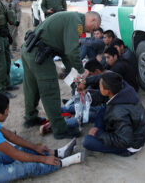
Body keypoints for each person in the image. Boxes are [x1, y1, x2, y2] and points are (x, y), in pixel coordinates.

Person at [0, 93, 84, 182]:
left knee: (22, 148)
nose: (8, 112)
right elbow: (15, 155)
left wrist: (35, 147)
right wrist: (43, 159)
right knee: (27, 167)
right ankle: (63, 162)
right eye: (6, 110)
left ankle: (57, 152)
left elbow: (11, 136)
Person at [21, 11, 101, 139]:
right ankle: (60, 130)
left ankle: (30, 117)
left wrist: (75, 83)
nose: (92, 31)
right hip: (40, 55)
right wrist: (81, 71)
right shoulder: (76, 22)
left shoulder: (71, 18)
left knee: (32, 87)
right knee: (50, 91)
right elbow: (72, 51)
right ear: (93, 20)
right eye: (94, 28)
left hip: (29, 50)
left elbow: (65, 55)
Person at [83, 72, 145, 156]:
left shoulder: (118, 113)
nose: (99, 87)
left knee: (88, 141)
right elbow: (102, 78)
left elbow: (125, 141)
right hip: (128, 128)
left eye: (100, 86)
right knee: (102, 110)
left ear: (107, 91)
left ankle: (100, 133)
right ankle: (101, 132)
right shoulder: (123, 86)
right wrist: (85, 82)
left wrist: (99, 134)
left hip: (129, 145)